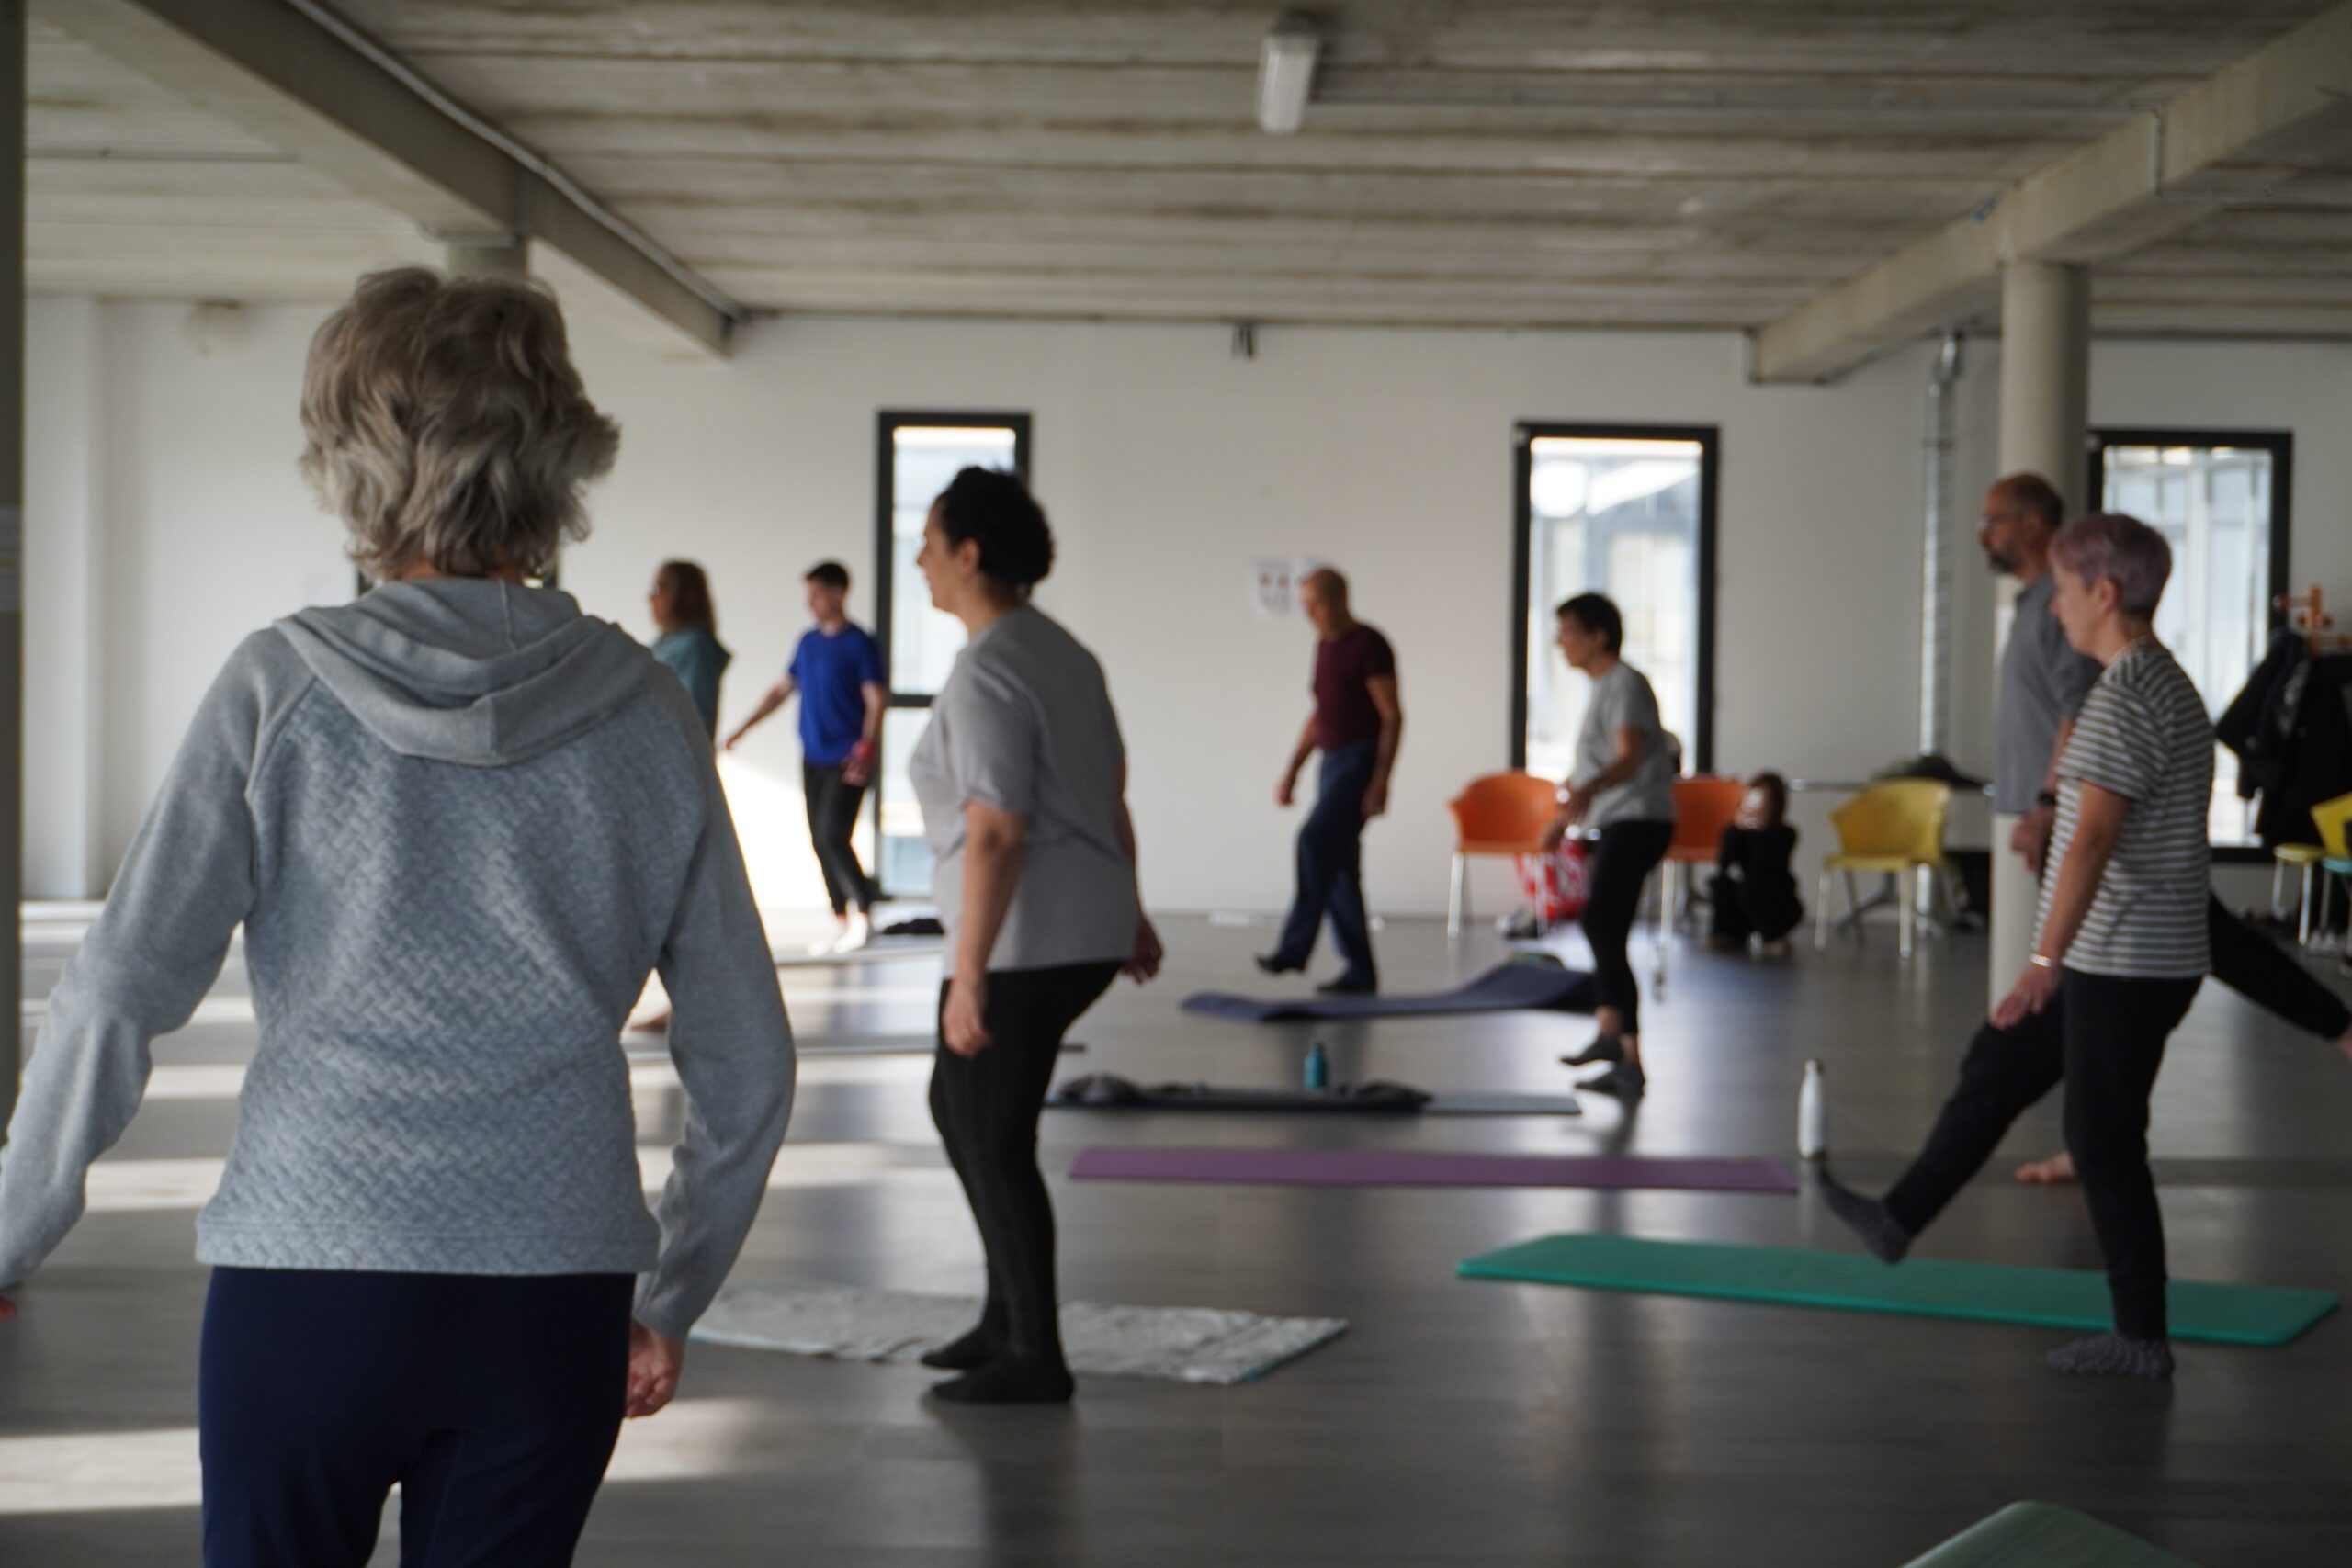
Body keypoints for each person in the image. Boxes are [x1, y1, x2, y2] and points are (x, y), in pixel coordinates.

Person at [0, 267, 796, 1562]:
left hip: (307, 1277)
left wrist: (9, 1227)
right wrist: (671, 1291)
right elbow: (748, 1060)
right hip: (552, 1296)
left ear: (351, 458)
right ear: (561, 457)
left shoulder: (279, 685)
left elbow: (117, 987)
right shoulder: (648, 709)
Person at [1826, 513, 2211, 1380]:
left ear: (2103, 593)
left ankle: (2141, 1337)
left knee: (2102, 1141)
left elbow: (2090, 842)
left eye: (2066, 593)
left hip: (2127, 957)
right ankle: (1899, 1219)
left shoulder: (2128, 696)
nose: (2055, 612)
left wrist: (2044, 960)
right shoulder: (2156, 681)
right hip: (2121, 950)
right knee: (1999, 1060)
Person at [1982, 473, 2352, 1183]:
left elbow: (2077, 715)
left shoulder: (2110, 662)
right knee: (2135, 1008)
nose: (1985, 535)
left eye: (1994, 520)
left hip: (2111, 847)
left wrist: (2047, 803)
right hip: (2098, 843)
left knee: (2124, 1002)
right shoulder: (2049, 610)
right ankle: (2091, 1142)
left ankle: (2094, 1146)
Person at [906, 467, 1162, 1404]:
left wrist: (966, 977)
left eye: (930, 540)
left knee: (992, 1132)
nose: (920, 558)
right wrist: (1126, 908)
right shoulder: (1060, 651)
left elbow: (997, 830)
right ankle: (1003, 1316)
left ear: (969, 554)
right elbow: (1107, 792)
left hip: (1026, 937)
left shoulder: (990, 668)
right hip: (1074, 924)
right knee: (959, 1109)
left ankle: (1034, 1355)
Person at [1544, 592, 1679, 1099]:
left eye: (1569, 632)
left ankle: (1625, 1052)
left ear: (1598, 636)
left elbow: (1628, 756)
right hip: (1620, 819)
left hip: (1639, 819)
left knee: (1602, 921)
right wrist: (1566, 811)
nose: (1561, 642)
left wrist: (1585, 791)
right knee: (1605, 924)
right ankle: (1611, 1037)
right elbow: (1596, 767)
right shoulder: (1603, 688)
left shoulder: (1623, 683)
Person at [728, 561, 888, 954]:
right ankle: (840, 919)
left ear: (838, 593)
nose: (810, 603)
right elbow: (782, 689)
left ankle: (864, 916)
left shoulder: (859, 644)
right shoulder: (808, 643)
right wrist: (745, 727)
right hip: (813, 756)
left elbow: (875, 698)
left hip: (847, 756)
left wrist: (867, 745)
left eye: (816, 593)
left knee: (834, 834)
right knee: (818, 839)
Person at [1258, 569, 1402, 995]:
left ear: (1340, 598)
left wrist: (1380, 780)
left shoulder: (1369, 644)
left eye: (1315, 605)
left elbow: (1392, 716)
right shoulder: (1323, 647)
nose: (1310, 615)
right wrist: (1293, 770)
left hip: (1358, 762)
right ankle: (1360, 973)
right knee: (1339, 871)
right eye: (1305, 607)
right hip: (1330, 763)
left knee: (1313, 840)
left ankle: (1294, 948)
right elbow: (1320, 716)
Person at [1709, 771, 1803, 954]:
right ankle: (1728, 933)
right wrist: (1738, 830)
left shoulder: (1785, 833)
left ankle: (1772, 935)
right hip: (1745, 893)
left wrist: (1759, 831)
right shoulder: (1736, 831)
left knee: (1751, 887)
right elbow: (1724, 863)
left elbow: (1764, 867)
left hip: (1775, 896)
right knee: (1722, 883)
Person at [649, 559, 730, 739]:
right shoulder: (662, 643)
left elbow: (694, 720)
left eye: (660, 589)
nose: (651, 598)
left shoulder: (695, 647)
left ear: (686, 596)